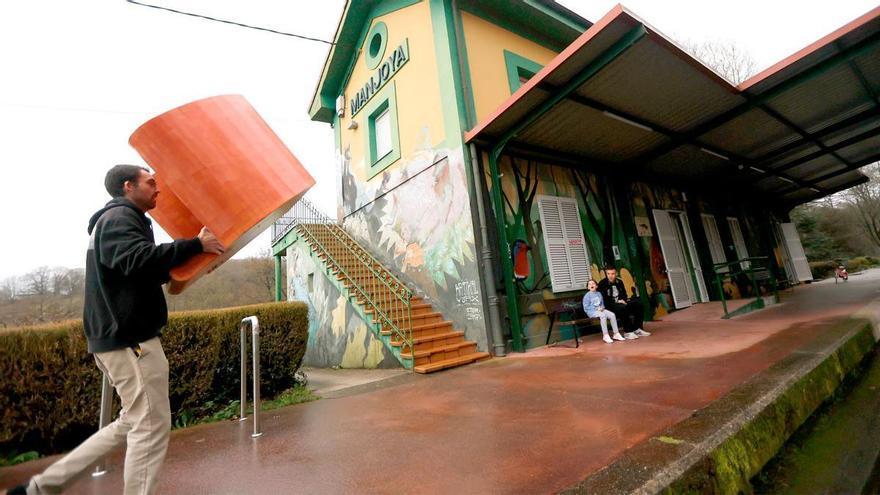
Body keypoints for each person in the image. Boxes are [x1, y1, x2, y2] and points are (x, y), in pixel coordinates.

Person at [6, 165, 225, 495]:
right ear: (128, 186)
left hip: (119, 339)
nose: (157, 188)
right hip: (130, 340)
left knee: (132, 421)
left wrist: (190, 264)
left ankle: (38, 488)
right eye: (150, 182)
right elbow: (137, 260)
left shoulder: (118, 221)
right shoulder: (120, 218)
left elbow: (136, 271)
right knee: (150, 425)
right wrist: (194, 245)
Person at [597, 266, 650, 340]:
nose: (610, 276)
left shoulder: (619, 282)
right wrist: (617, 301)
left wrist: (624, 300)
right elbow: (603, 299)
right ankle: (628, 332)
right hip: (609, 306)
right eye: (608, 274)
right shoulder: (602, 284)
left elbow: (624, 294)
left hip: (621, 303)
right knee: (621, 307)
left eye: (613, 274)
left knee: (638, 304)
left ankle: (637, 328)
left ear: (616, 274)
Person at [583, 279, 625, 344]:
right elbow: (586, 307)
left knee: (612, 315)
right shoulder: (587, 296)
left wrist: (602, 307)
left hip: (600, 310)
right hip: (591, 312)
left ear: (596, 286)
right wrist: (596, 309)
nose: (591, 285)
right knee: (603, 315)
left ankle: (616, 333)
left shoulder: (599, 294)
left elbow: (602, 303)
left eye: (593, 284)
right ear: (588, 287)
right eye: (589, 284)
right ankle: (605, 335)